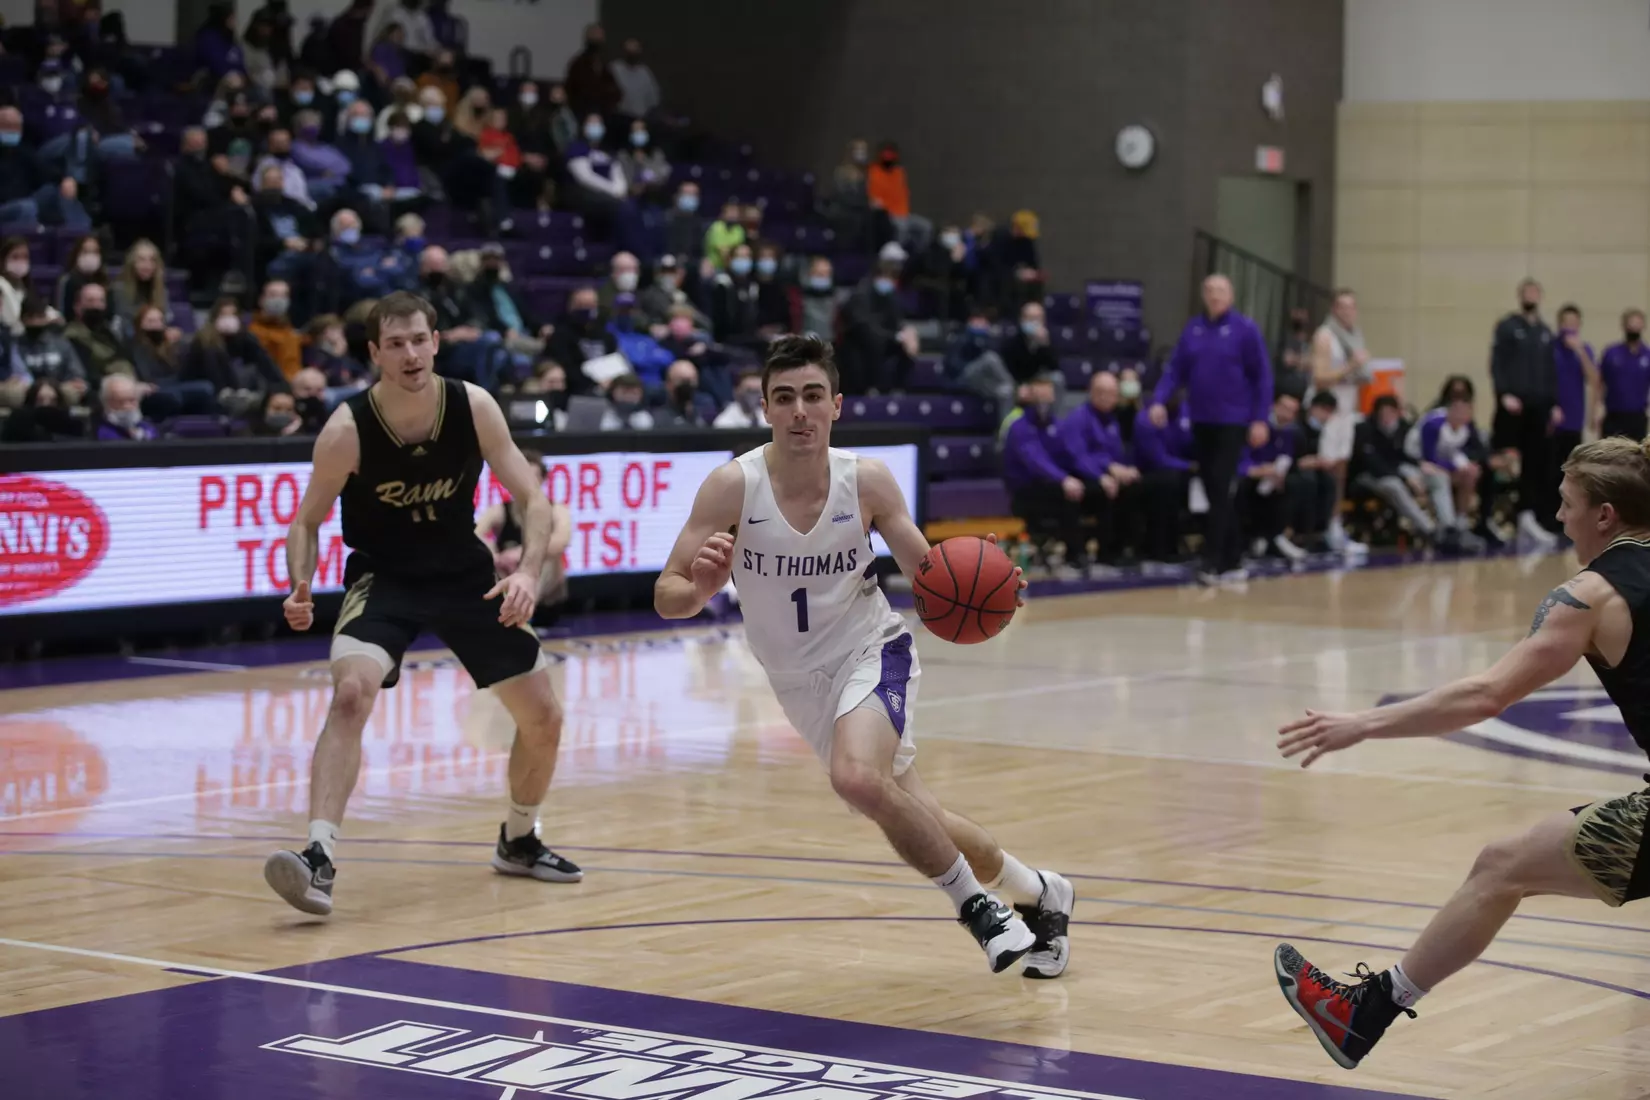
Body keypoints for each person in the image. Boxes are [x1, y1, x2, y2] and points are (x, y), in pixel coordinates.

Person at [655, 334, 1073, 977]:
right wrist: (702, 588)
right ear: (765, 409)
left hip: (871, 650)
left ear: (837, 405)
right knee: (918, 814)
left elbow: (931, 574)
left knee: (855, 778)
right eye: (785, 398)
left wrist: (987, 580)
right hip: (796, 683)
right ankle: (1042, 892)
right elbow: (667, 595)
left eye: (813, 396)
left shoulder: (867, 482)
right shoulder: (731, 487)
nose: (800, 411)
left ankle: (980, 911)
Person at [1273, 434, 1650, 1069]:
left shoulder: (1592, 596)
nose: (1559, 518)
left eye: (1567, 504)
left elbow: (1484, 696)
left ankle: (1360, 1015)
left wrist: (1362, 724)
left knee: (1502, 867)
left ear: (1604, 515)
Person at [263, 292, 581, 916]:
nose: (410, 353)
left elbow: (534, 501)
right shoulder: (347, 430)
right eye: (395, 343)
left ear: (437, 340)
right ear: (374, 352)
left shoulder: (474, 406)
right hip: (386, 576)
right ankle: (318, 857)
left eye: (419, 339)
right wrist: (300, 582)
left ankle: (519, 840)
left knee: (544, 718)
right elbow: (306, 521)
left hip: (465, 574)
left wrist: (530, 576)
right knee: (351, 691)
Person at [1148, 274, 1273, 585]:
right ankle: (1233, 557)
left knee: (1220, 485)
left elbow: (1262, 377)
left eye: (1221, 291)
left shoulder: (1245, 330)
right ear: (1204, 296)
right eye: (1210, 291)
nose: (1215, 296)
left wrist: (1259, 418)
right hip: (1201, 419)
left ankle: (1212, 560)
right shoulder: (1193, 329)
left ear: (1230, 295)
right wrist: (1159, 401)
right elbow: (1175, 369)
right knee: (1211, 487)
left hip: (1233, 421)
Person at [1490, 278, 1560, 549]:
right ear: (1520, 296)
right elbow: (1497, 362)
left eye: (1534, 292)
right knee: (1505, 462)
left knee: (1534, 464)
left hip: (1538, 408)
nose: (1530, 295)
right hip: (1512, 406)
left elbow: (1550, 371)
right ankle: (1493, 517)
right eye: (1526, 292)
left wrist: (1553, 403)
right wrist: (1503, 393)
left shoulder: (1544, 331)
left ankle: (1527, 517)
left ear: (1540, 296)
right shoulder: (1508, 326)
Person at [1308, 290, 1372, 554]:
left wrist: (1359, 371)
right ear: (1334, 309)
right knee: (1325, 469)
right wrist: (1350, 366)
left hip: (1346, 411)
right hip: (1326, 411)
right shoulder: (1325, 336)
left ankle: (1335, 526)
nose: (1348, 312)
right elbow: (1320, 377)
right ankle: (1317, 529)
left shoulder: (1354, 337)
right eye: (1342, 307)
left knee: (1341, 472)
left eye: (1352, 307)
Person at [476, 448, 573, 617]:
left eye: (533, 478)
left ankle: (523, 610)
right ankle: (506, 608)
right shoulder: (500, 510)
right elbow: (474, 534)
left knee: (545, 558)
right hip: (508, 578)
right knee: (485, 552)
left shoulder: (556, 510)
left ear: (542, 480)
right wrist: (494, 555)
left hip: (545, 591)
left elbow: (562, 540)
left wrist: (520, 554)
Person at [1598, 309, 1650, 442]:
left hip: (1637, 416)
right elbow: (1599, 381)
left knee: (1637, 458)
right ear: (1624, 326)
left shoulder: (1647, 354)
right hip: (1614, 415)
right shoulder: (1611, 352)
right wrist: (1597, 410)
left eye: (1637, 324)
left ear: (1643, 326)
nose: (1634, 328)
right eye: (1631, 324)